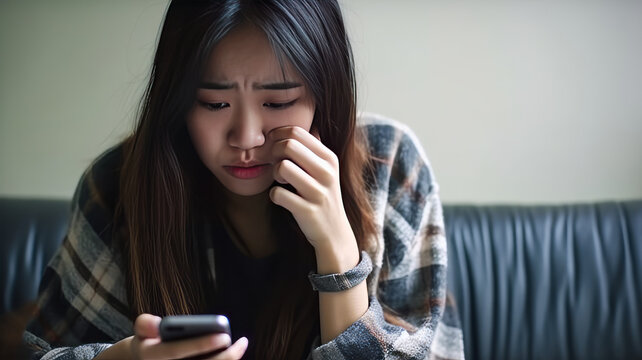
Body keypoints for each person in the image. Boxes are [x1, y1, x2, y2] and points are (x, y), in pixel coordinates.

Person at [23, 0, 465, 359]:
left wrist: (339, 256)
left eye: (279, 102)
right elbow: (44, 351)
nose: (247, 138)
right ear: (177, 104)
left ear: (324, 95)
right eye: (214, 104)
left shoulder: (390, 166)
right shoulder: (118, 185)